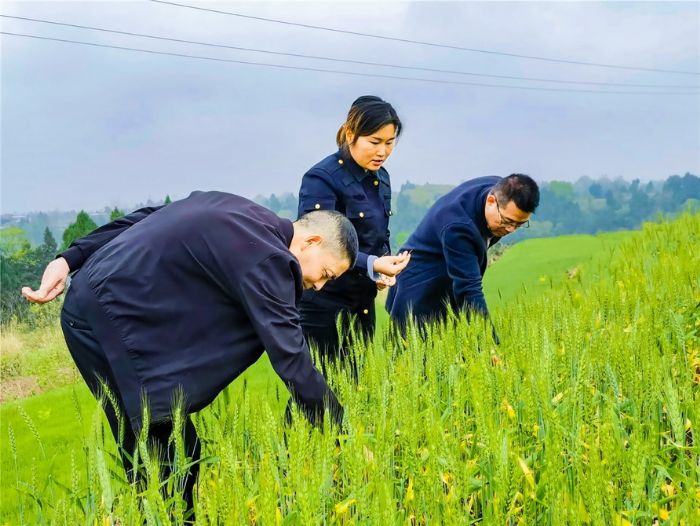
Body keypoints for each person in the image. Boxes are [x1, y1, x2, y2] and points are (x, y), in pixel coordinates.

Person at [22, 191, 357, 513]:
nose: (319, 285)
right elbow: (292, 360)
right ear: (312, 242)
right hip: (102, 324)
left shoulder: (240, 210)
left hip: (114, 312)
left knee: (183, 451)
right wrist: (347, 438)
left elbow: (150, 216)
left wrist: (71, 258)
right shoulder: (271, 260)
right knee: (159, 463)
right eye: (326, 273)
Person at [297, 95, 410, 361]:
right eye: (374, 142)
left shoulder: (382, 178)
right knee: (317, 392)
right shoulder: (322, 178)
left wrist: (382, 268)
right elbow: (319, 245)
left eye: (389, 143)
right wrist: (371, 263)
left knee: (356, 387)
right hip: (323, 305)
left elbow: (379, 233)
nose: (382, 152)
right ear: (350, 134)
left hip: (362, 306)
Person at [386, 174, 540, 336]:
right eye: (507, 221)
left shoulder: (501, 189)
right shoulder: (459, 228)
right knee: (412, 357)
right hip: (418, 291)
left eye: (520, 224)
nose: (511, 230)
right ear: (491, 202)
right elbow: (469, 289)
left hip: (448, 279)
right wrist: (490, 344)